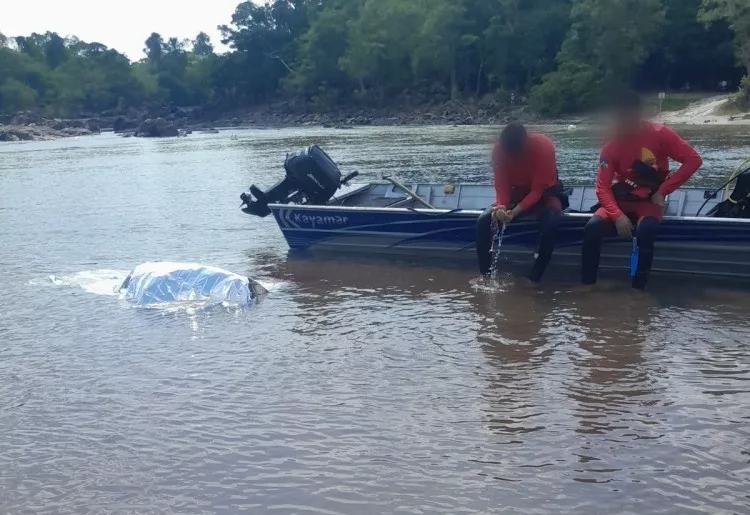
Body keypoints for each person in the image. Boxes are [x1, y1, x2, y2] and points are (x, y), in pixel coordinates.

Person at [581, 92, 703, 290]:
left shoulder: (660, 134)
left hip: (650, 200)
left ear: (638, 114)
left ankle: (638, 292)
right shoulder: (610, 145)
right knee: (591, 228)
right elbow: (603, 187)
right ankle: (588, 287)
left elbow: (693, 160)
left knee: (645, 230)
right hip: (622, 198)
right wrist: (618, 215)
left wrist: (664, 190)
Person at [476, 123, 565, 281]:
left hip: (545, 195)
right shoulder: (498, 150)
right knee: (483, 221)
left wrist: (515, 212)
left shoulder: (543, 147)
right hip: (514, 195)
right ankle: (485, 275)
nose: (510, 158)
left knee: (551, 224)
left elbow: (537, 191)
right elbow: (501, 186)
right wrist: (501, 208)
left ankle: (534, 278)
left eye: (514, 154)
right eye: (507, 153)